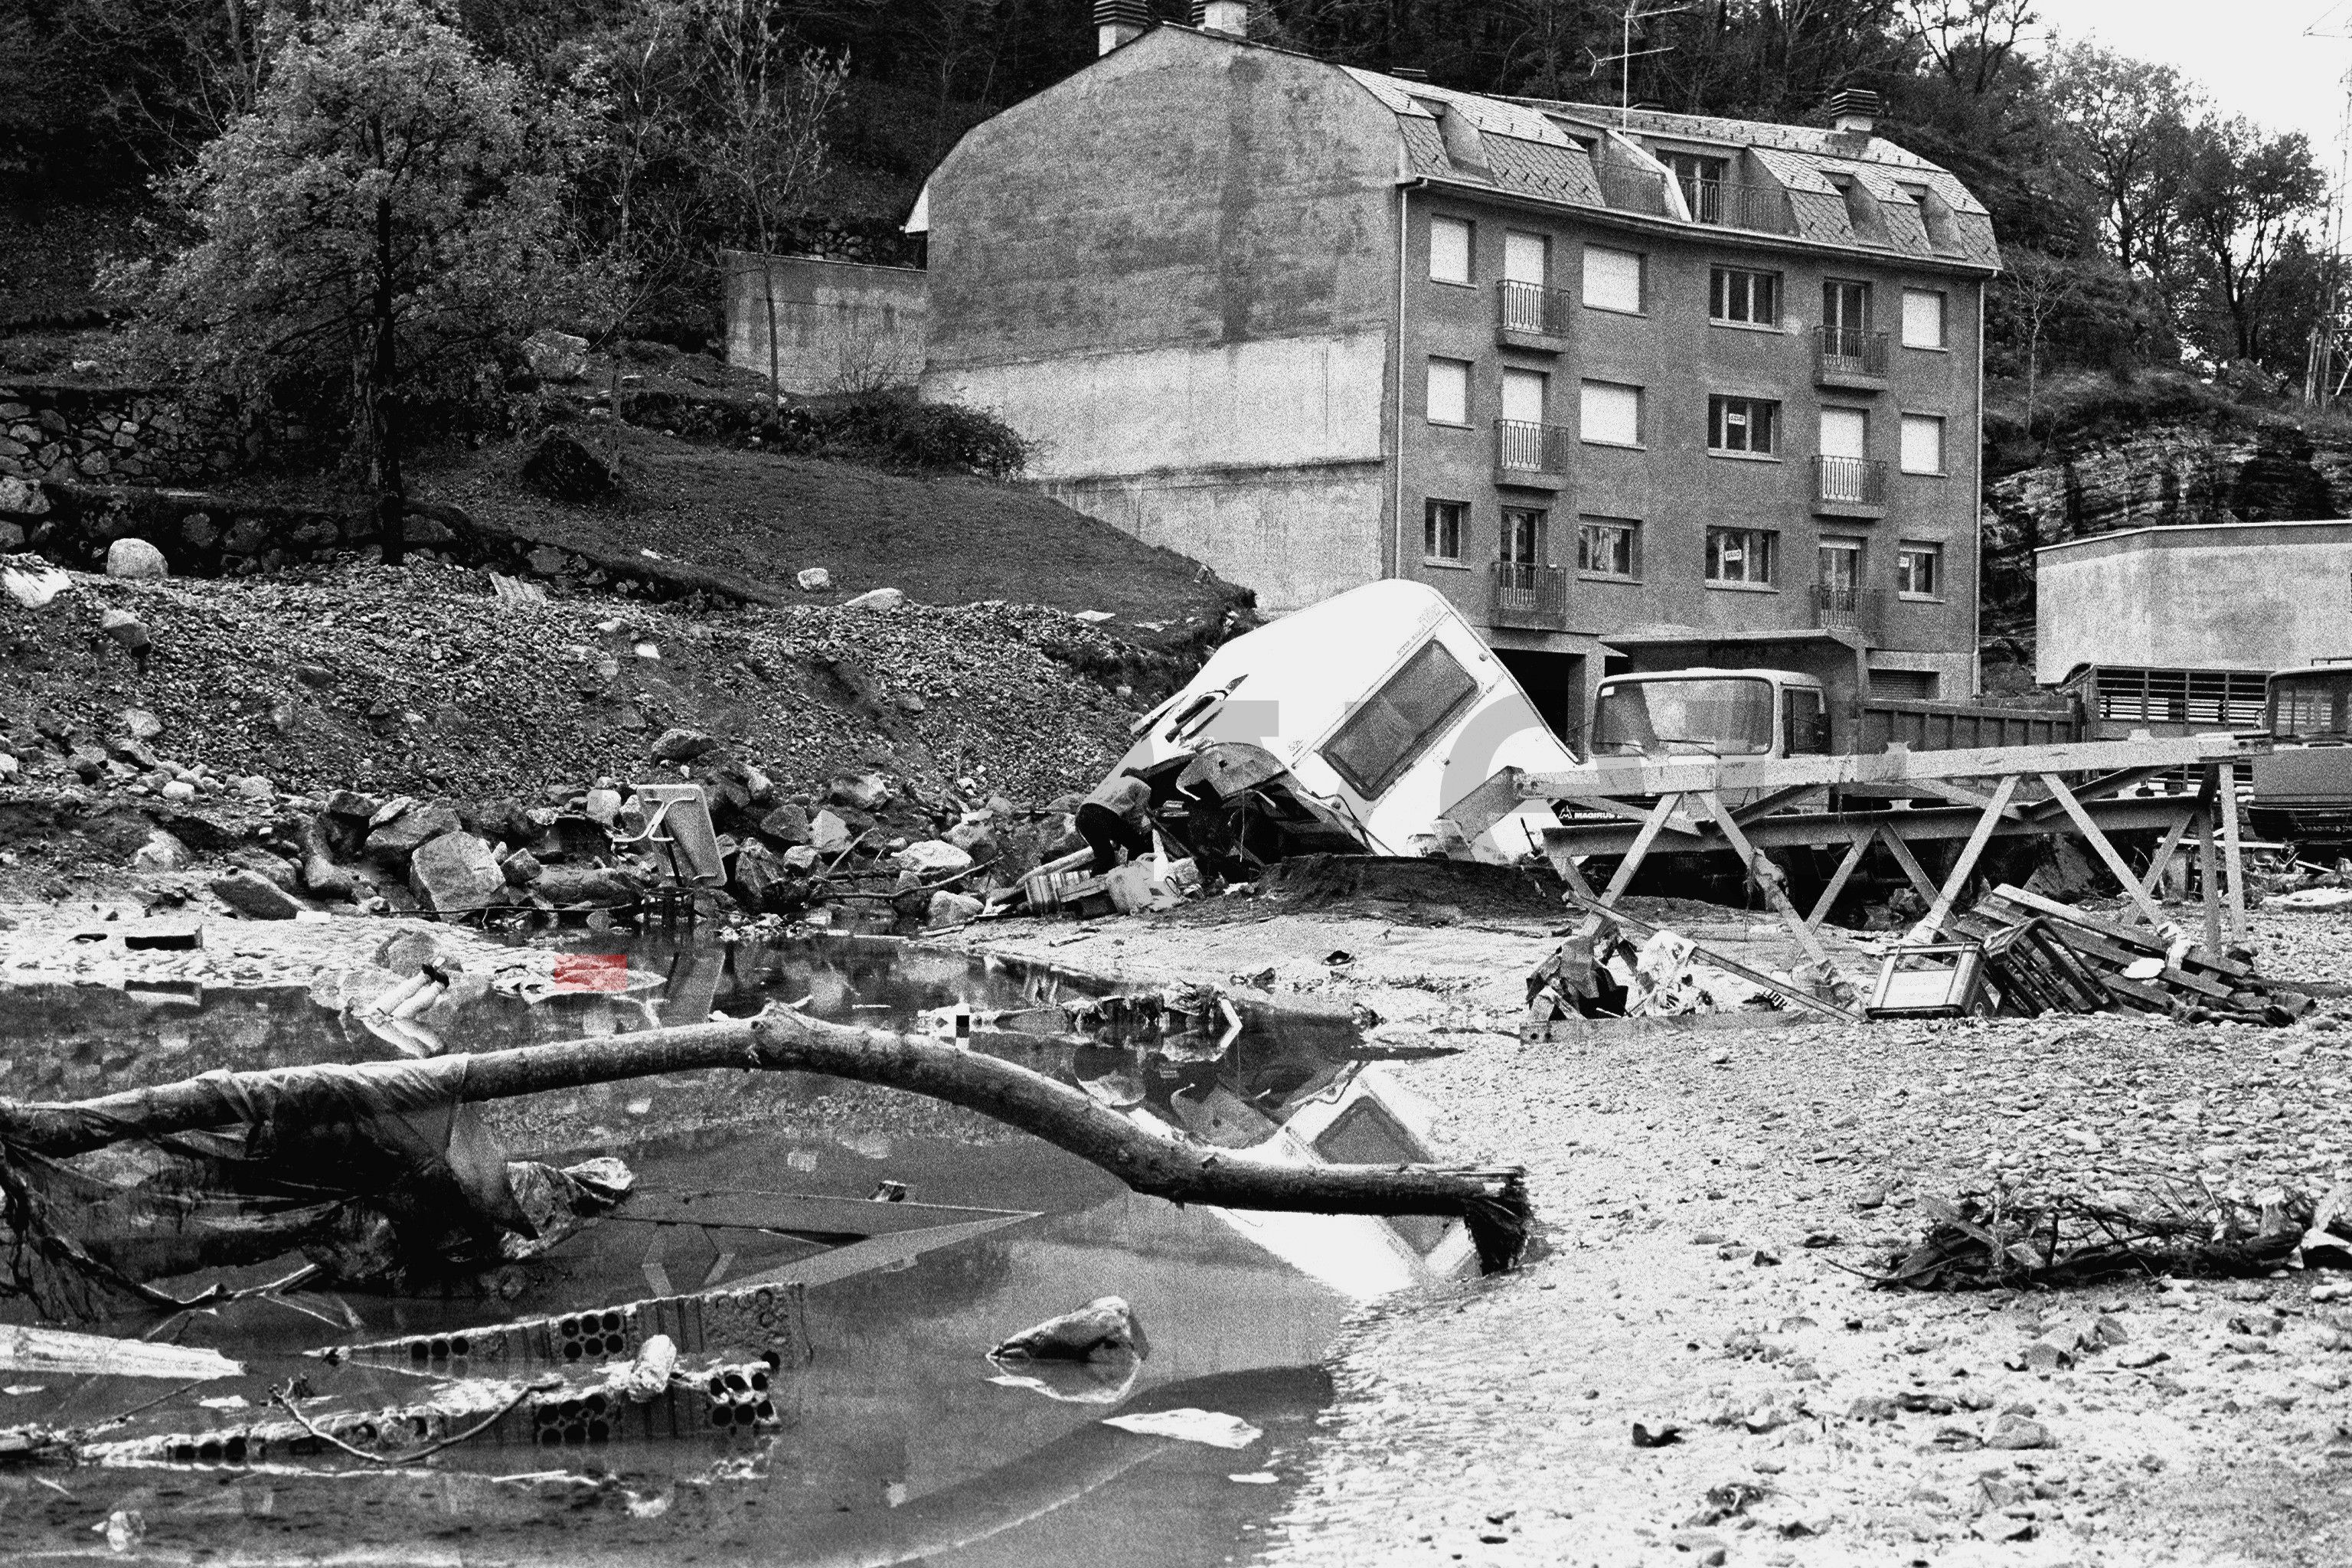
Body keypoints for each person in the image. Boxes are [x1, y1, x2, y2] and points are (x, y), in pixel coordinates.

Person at [1078, 771, 1154, 874]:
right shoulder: (1144, 787)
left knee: (1106, 857)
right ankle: (1133, 876)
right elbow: (1136, 815)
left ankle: (1092, 884)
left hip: (1082, 816)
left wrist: (1120, 839)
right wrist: (1138, 832)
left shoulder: (1111, 781)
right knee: (1138, 846)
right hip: (1104, 815)